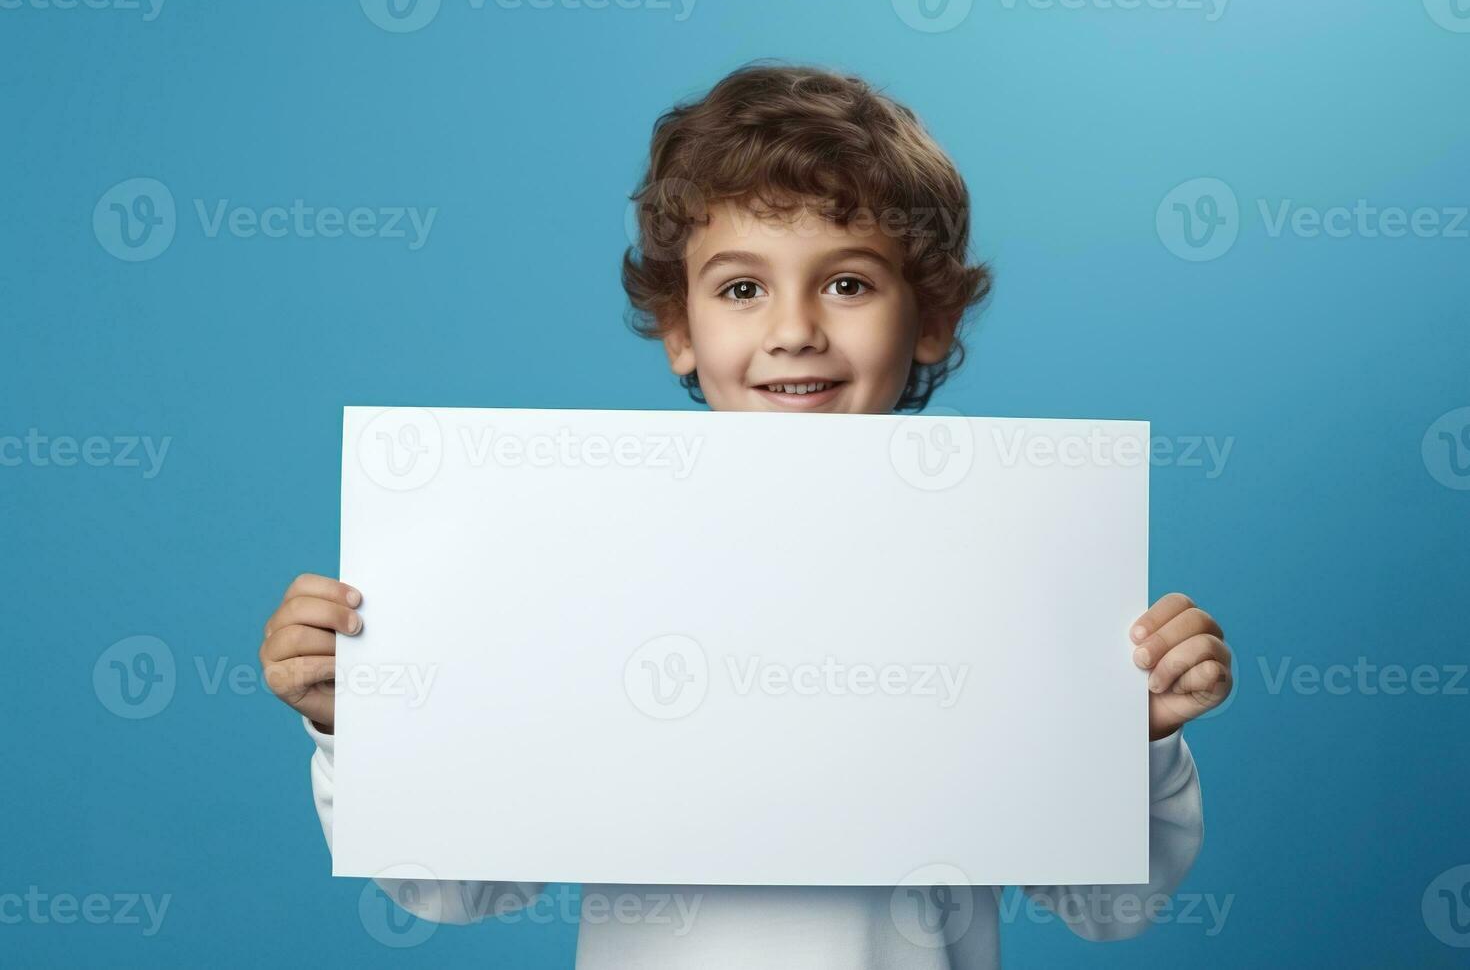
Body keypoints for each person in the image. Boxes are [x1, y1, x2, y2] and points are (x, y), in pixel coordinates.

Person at [258, 62, 1233, 969]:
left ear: (929, 315)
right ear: (681, 329)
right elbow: (454, 884)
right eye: (742, 287)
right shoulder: (592, 559)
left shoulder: (1009, 564)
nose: (795, 329)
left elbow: (1111, 901)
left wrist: (1131, 734)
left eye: (848, 282)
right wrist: (358, 717)